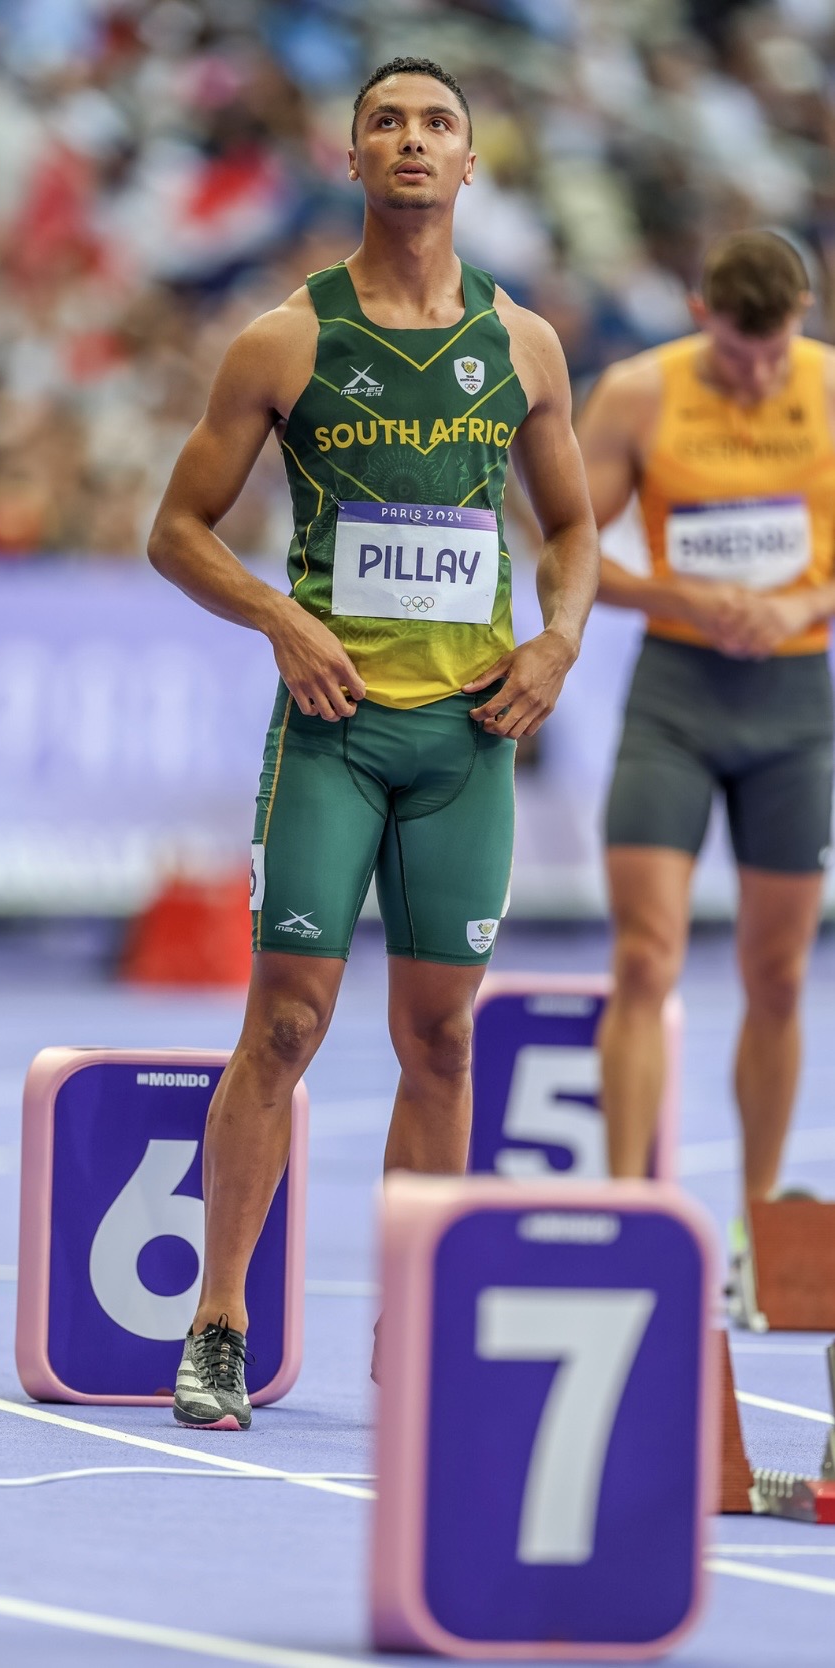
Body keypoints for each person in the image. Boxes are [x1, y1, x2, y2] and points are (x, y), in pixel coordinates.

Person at [147, 56, 599, 1430]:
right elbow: (175, 532)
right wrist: (280, 619)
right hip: (334, 735)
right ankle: (218, 1323)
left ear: (469, 162)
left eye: (437, 123)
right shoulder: (284, 341)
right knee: (283, 1022)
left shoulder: (524, 344)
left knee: (443, 1042)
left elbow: (575, 528)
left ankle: (419, 1329)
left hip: (467, 739)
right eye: (386, 122)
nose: (412, 139)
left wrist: (559, 640)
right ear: (350, 159)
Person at [578, 230, 835, 1218]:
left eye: (775, 354)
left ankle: (760, 1220)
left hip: (794, 708)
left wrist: (803, 603)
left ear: (804, 314)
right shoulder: (639, 393)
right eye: (736, 354)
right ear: (699, 316)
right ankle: (624, 1206)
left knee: (778, 975)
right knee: (645, 957)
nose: (758, 376)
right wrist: (676, 595)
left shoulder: (827, 388)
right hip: (676, 702)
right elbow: (568, 547)